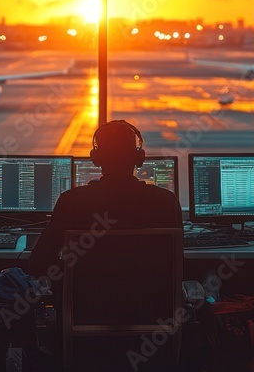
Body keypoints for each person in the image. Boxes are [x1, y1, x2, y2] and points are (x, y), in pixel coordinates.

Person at [29, 119, 183, 290]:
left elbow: (39, 262)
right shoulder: (166, 201)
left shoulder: (72, 201)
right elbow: (177, 261)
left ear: (95, 158)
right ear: (139, 158)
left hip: (85, 310)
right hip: (147, 310)